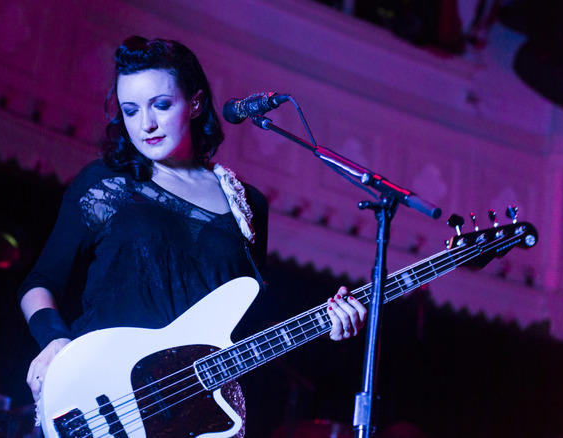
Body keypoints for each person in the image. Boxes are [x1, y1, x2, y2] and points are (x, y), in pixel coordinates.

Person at [18, 36, 367, 436]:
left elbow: (244, 327)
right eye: (131, 111)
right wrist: (54, 342)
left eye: (161, 105)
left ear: (196, 103)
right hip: (103, 403)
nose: (145, 124)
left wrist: (328, 323)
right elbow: (40, 282)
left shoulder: (246, 202)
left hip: (197, 417)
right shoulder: (105, 183)